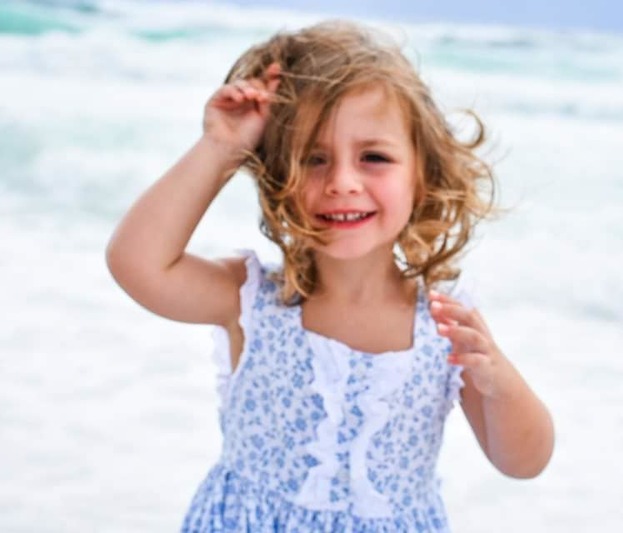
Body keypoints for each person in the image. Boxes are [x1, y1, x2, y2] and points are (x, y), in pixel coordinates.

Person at [106, 20, 554, 532]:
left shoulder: (444, 323)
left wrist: (499, 384)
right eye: (313, 159)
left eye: (374, 157)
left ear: (423, 175)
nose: (342, 182)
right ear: (279, 176)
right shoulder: (251, 300)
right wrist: (221, 147)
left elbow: (523, 462)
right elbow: (137, 263)